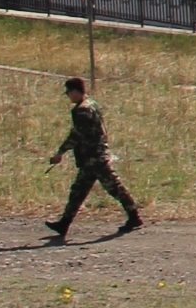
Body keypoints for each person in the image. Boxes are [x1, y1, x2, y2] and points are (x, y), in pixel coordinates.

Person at [44, 75, 144, 242]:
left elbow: (76, 135)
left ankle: (134, 216)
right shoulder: (92, 104)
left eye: (68, 92)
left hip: (94, 158)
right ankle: (64, 223)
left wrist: (60, 152)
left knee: (114, 187)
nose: (68, 95)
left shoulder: (83, 110)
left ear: (75, 91)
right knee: (78, 191)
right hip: (91, 158)